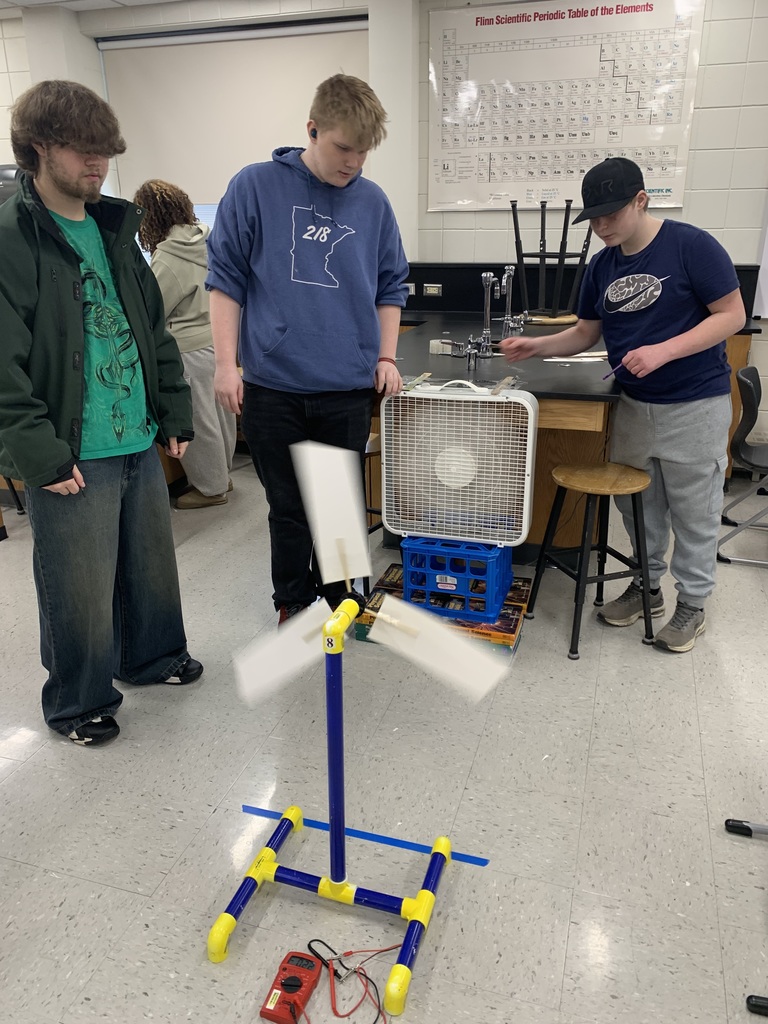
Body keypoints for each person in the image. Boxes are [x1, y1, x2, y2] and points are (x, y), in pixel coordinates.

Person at [0, 80, 204, 746]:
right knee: (77, 588)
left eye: (105, 153)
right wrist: (38, 452)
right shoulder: (13, 235)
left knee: (149, 564)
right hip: (69, 444)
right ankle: (79, 700)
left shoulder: (114, 227)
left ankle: (152, 655)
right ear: (39, 147)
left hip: (134, 432)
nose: (99, 165)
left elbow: (151, 328)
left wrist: (172, 410)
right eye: (84, 151)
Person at [501, 156, 746, 653]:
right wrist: (536, 346)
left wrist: (664, 350)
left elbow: (733, 314)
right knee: (639, 510)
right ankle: (646, 586)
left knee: (695, 514)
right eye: (593, 217)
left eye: (611, 214)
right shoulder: (602, 266)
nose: (601, 226)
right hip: (635, 407)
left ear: (641, 200)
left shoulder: (691, 246)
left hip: (695, 405)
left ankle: (693, 604)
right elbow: (586, 333)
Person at [207, 73, 409, 624]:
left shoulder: (372, 202)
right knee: (290, 507)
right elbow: (225, 280)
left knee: (339, 503)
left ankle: (344, 597)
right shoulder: (254, 186)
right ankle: (292, 600)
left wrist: (386, 357)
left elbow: (392, 285)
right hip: (273, 383)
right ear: (312, 130)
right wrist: (227, 366)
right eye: (344, 147)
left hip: (345, 383)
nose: (354, 163)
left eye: (364, 152)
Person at [134, 179, 236, 509]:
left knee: (199, 421)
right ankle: (224, 476)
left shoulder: (167, 259)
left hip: (188, 350)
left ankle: (210, 488)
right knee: (222, 415)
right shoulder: (208, 240)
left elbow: (152, 310)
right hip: (218, 342)